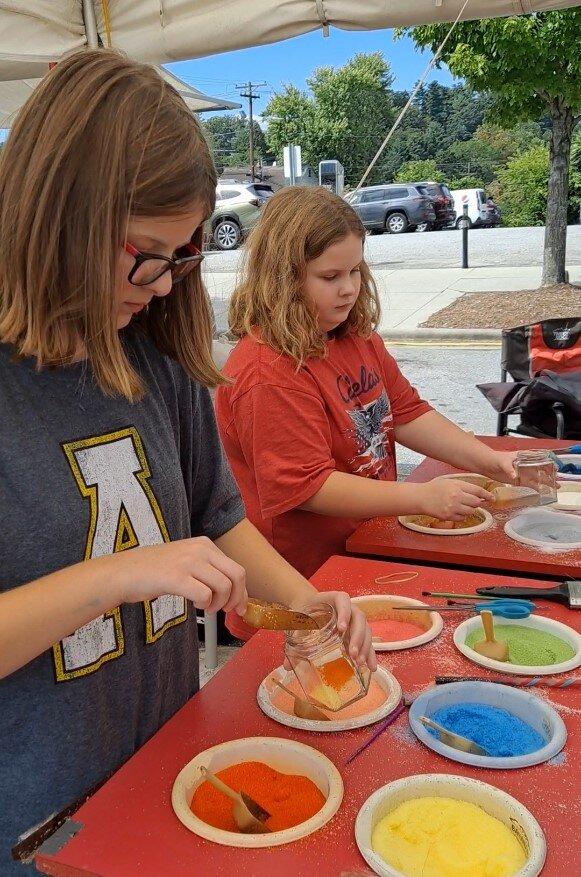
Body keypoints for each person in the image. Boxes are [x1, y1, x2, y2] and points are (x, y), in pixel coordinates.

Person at [0, 52, 375, 874]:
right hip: (41, 828)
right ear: (59, 216)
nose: (166, 287)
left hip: (171, 772)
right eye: (147, 254)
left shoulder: (151, 357)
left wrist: (310, 606)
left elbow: (218, 517)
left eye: (183, 256)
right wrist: (118, 574)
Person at [215, 186, 517, 640]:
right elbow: (308, 488)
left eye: (355, 270)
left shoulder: (353, 337)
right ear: (282, 278)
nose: (350, 289)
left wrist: (489, 460)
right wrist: (421, 497)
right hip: (299, 586)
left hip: (362, 552)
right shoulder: (268, 371)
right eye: (330, 275)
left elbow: (408, 412)